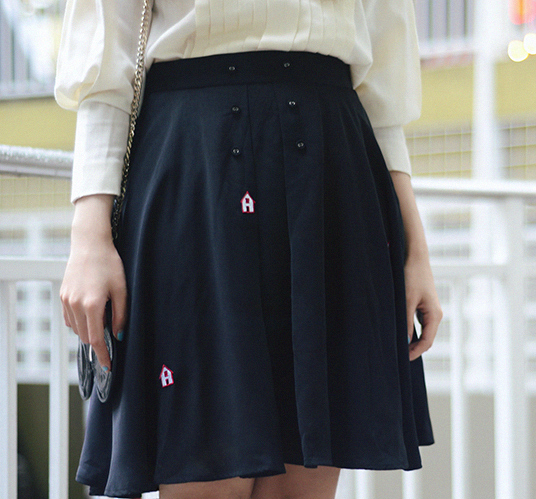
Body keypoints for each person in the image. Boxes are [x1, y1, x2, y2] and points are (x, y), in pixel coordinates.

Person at [54, 0, 442, 498]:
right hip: (198, 174)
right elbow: (105, 66)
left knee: (303, 486)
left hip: (329, 175)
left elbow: (383, 94)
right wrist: (89, 236)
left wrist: (415, 252)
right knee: (205, 478)